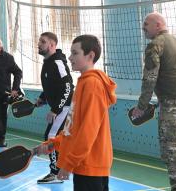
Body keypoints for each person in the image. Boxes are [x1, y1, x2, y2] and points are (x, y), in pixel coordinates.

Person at [37, 34, 117, 191]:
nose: (70, 57)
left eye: (75, 53)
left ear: (90, 55)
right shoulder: (82, 83)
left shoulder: (92, 85)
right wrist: (53, 144)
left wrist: (68, 163)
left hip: (90, 165)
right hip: (83, 165)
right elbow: (72, 128)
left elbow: (88, 131)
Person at [132, 12, 176, 191]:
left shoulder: (155, 45)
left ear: (158, 25)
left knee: (170, 146)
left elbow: (150, 78)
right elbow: (172, 73)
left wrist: (141, 106)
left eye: (146, 24)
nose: (143, 27)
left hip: (173, 101)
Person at [35, 32, 74, 184]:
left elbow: (67, 87)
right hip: (60, 107)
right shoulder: (48, 62)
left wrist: (55, 109)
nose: (39, 44)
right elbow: (52, 85)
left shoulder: (57, 62)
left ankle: (55, 173)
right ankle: (58, 170)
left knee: (51, 136)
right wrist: (42, 98)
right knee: (55, 137)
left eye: (42, 42)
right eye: (39, 41)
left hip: (64, 107)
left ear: (52, 45)